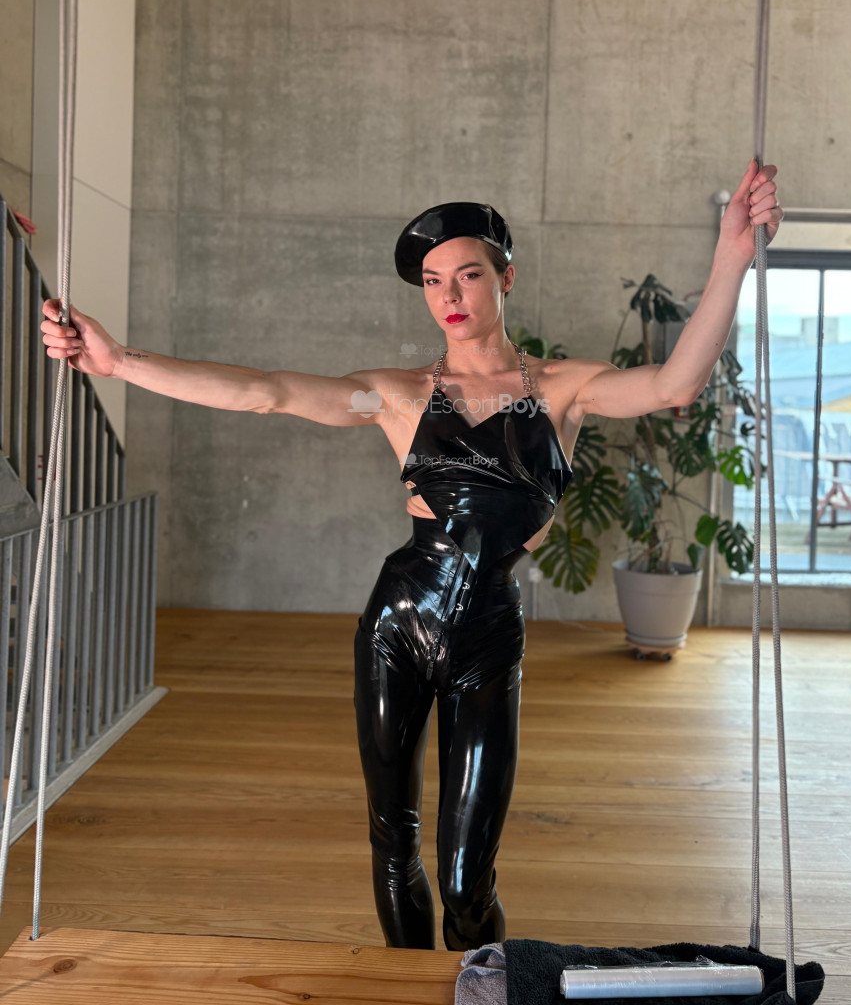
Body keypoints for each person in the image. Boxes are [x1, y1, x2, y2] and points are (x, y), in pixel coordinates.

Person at [41, 160, 782, 951]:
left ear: (506, 278)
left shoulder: (564, 391)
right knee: (394, 843)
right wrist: (120, 363)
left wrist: (732, 257)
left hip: (488, 639)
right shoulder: (395, 397)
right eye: (432, 281)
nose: (449, 296)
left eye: (468, 275)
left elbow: (673, 386)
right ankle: (409, 986)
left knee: (467, 883)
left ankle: (480, 982)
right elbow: (266, 392)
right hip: (396, 627)